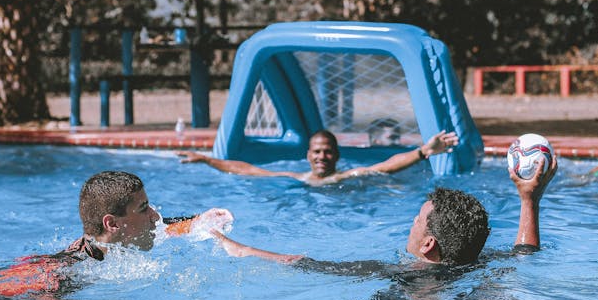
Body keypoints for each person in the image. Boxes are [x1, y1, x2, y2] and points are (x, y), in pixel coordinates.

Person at [211, 156, 558, 268]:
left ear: (428, 245)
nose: (411, 222)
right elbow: (524, 253)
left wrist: (241, 248)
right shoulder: (478, 262)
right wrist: (530, 199)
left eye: (417, 220)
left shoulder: (402, 276)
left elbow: (308, 264)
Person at [0, 170, 232, 300]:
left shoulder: (124, 237)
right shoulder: (72, 269)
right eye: (143, 209)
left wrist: (199, 221)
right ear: (112, 223)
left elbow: (168, 226)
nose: (155, 216)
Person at [177, 129, 458, 186]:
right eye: (317, 151)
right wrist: (206, 159)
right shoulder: (296, 177)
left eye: (327, 151)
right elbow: (246, 170)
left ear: (336, 155)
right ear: (308, 155)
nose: (322, 156)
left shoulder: (347, 176)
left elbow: (384, 166)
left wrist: (424, 151)